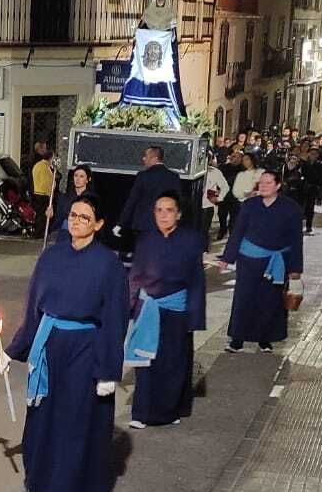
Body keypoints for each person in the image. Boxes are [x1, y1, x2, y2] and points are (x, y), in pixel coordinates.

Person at [0, 194, 129, 492]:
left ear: (98, 224)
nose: (76, 221)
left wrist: (108, 371)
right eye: (73, 215)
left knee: (75, 421)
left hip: (86, 347)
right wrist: (13, 350)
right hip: (49, 343)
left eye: (85, 217)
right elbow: (33, 309)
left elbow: (115, 319)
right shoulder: (51, 257)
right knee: (44, 417)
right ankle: (41, 483)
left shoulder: (108, 264)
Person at [126, 194, 207, 429]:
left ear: (178, 214)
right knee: (145, 361)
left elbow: (196, 281)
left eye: (169, 210)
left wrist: (194, 316)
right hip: (149, 308)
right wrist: (130, 308)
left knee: (173, 363)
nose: (163, 215)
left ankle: (168, 412)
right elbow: (135, 276)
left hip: (177, 310)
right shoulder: (146, 240)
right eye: (159, 210)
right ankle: (141, 412)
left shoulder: (192, 240)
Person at [221, 171, 304, 354]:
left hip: (277, 261)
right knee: (244, 298)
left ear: (278, 186)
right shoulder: (249, 205)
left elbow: (296, 239)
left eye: (268, 183)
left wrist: (295, 268)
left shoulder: (291, 208)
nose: (263, 186)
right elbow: (238, 232)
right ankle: (237, 340)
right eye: (261, 183)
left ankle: (265, 339)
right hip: (248, 260)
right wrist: (228, 257)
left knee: (270, 301)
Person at [114, 146, 181, 249]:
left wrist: (121, 223)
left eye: (146, 156)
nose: (143, 159)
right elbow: (178, 202)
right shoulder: (174, 177)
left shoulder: (143, 176)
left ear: (154, 158)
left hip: (143, 225)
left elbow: (132, 201)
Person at [47, 165, 95, 237]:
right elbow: (58, 218)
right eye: (76, 175)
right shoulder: (64, 197)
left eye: (81, 176)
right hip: (65, 231)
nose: (78, 179)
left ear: (88, 179)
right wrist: (50, 216)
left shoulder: (92, 199)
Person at [201, 153, 228, 245]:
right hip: (192, 205)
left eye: (207, 159)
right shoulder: (191, 172)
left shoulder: (215, 172)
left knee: (204, 230)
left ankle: (203, 249)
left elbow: (225, 187)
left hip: (207, 206)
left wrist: (218, 198)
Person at [30, 143, 54, 240]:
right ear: (50, 158)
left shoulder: (38, 165)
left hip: (37, 192)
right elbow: (46, 182)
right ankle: (39, 233)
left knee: (40, 214)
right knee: (42, 215)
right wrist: (50, 193)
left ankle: (38, 232)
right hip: (43, 194)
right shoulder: (45, 167)